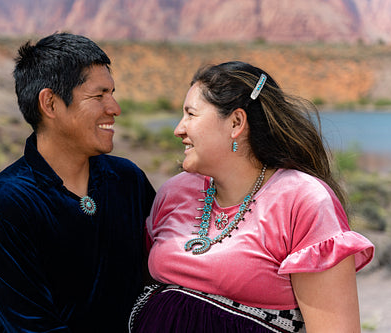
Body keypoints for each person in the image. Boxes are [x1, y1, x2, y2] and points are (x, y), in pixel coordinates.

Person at [129, 61, 374, 333]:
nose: (179, 129)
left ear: (236, 123)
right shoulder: (174, 193)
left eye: (191, 114)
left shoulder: (303, 200)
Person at [0, 32, 156, 332]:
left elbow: (159, 279)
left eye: (113, 93)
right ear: (51, 103)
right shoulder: (2, 206)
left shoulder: (127, 180)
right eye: (99, 95)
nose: (115, 108)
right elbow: (33, 326)